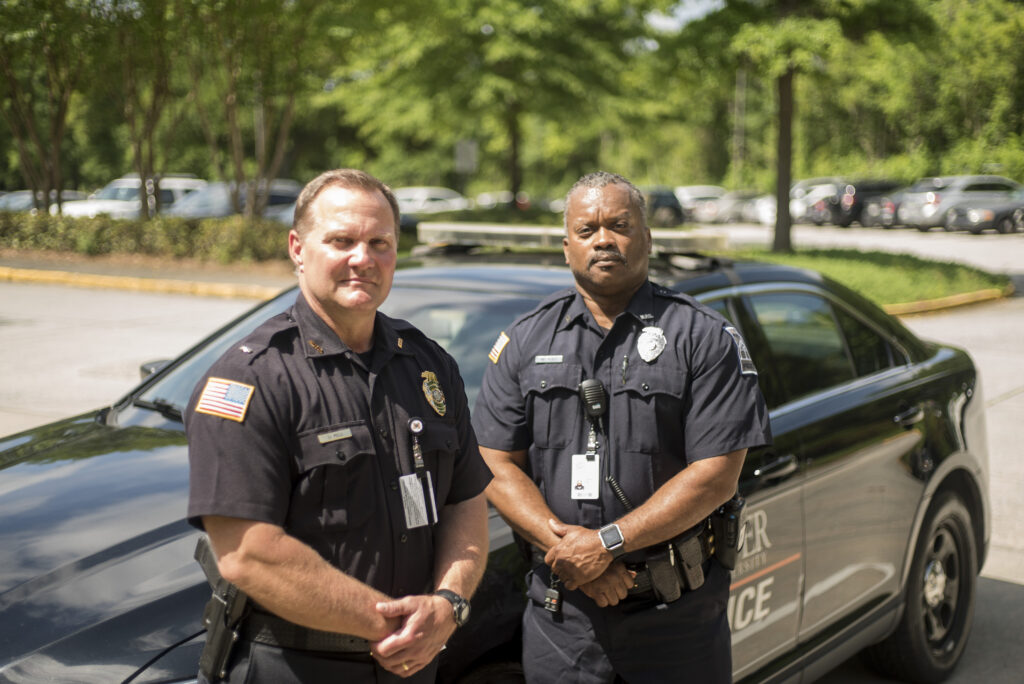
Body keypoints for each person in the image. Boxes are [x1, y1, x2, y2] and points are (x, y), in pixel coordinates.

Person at [185, 169, 492, 683]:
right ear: (297, 248)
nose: (363, 259)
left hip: (412, 665)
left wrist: (449, 603)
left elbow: (465, 499)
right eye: (341, 241)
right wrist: (395, 625)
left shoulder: (428, 365)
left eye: (380, 242)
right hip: (297, 666)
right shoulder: (251, 378)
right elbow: (247, 554)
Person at [472, 171, 771, 683]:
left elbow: (717, 474)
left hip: (675, 620)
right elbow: (494, 462)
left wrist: (607, 543)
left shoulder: (701, 336)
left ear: (647, 239)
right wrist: (572, 552)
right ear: (566, 247)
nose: (603, 239)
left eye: (619, 225)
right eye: (587, 230)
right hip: (561, 616)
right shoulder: (524, 340)